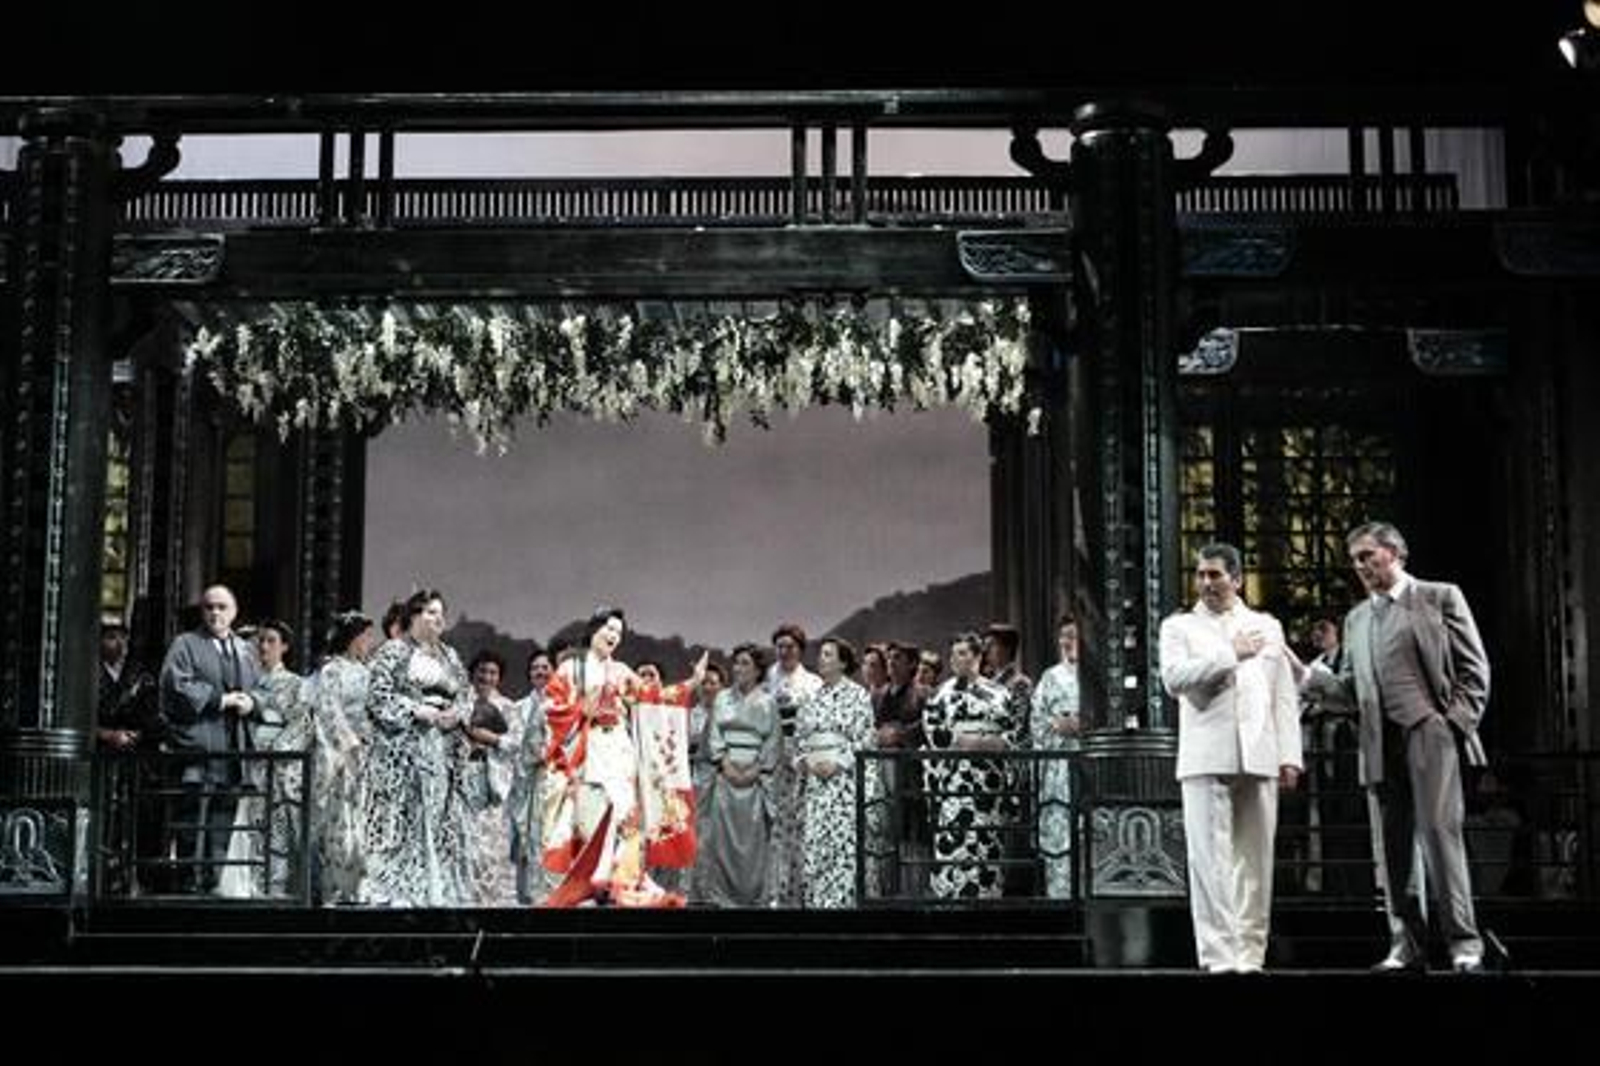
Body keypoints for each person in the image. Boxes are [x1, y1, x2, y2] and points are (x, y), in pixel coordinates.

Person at [1296, 521, 1491, 973]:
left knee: (1440, 835)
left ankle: (1464, 943)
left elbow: (1474, 670)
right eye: (1355, 560)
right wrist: (1309, 679)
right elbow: (1351, 691)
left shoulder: (1439, 597)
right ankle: (1406, 945)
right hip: (1378, 743)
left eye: (1367, 555)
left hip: (1429, 733)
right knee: (1393, 847)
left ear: (1395, 553)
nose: (1360, 566)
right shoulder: (1357, 619)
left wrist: (1451, 725)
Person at [1159, 542, 1302, 974]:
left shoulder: (1267, 626)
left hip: (1259, 753)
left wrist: (1289, 755)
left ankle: (1250, 955)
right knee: (1210, 862)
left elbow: (1282, 694)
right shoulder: (1179, 627)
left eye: (1215, 574)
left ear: (1237, 579)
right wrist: (1229, 653)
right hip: (1206, 754)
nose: (1206, 582)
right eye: (1200, 574)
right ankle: (1218, 957)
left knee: (1255, 862)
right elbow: (1173, 679)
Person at [540, 605, 707, 908]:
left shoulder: (620, 671)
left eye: (618, 632)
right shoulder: (571, 668)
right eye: (609, 629)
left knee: (625, 814)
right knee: (591, 816)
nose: (613, 636)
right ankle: (594, 882)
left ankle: (622, 881)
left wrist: (692, 683)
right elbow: (552, 709)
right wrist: (581, 711)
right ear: (594, 629)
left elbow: (653, 697)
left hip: (619, 747)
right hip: (588, 747)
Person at [158, 584, 261, 894]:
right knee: (192, 819)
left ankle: (215, 880)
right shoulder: (186, 644)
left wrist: (252, 702)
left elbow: (262, 687)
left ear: (234, 612)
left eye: (222, 607)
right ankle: (189, 883)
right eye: (209, 607)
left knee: (223, 819)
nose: (215, 613)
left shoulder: (245, 649)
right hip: (199, 745)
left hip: (234, 747)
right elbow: (175, 685)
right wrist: (219, 699)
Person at [1030, 614, 1083, 900]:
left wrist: (1085, 726)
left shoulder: (1097, 677)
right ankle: (1060, 896)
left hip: (1089, 763)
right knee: (1059, 830)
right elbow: (1036, 721)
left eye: (1073, 636)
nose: (1067, 642)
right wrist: (1057, 726)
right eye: (1064, 636)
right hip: (1058, 767)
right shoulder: (1050, 677)